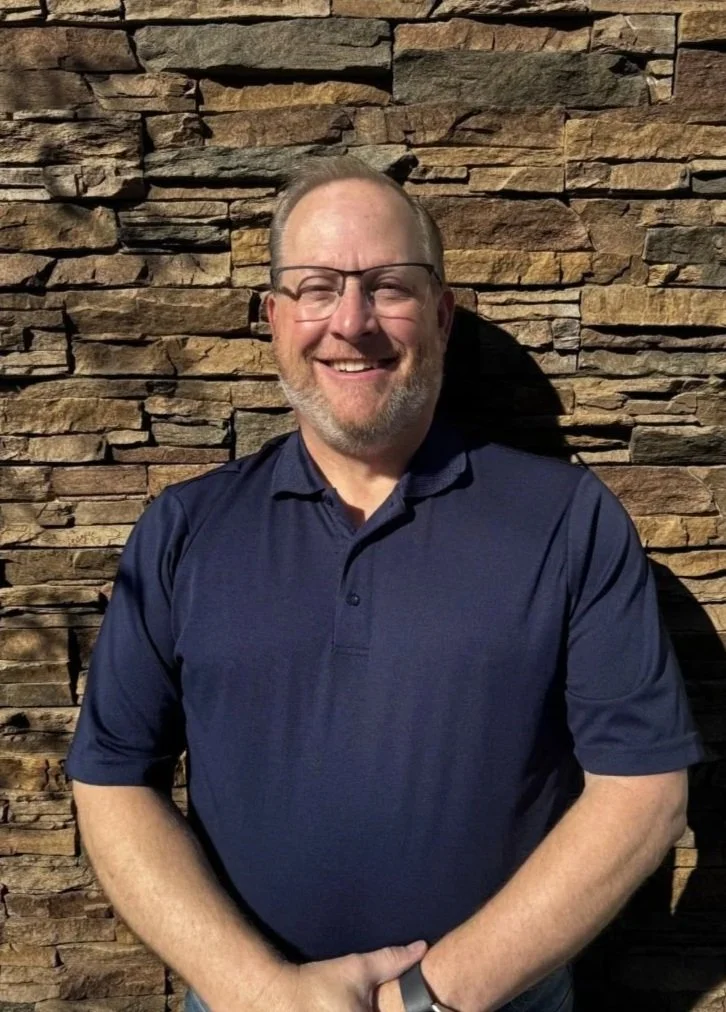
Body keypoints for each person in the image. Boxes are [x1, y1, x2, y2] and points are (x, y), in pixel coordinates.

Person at [66, 155, 704, 1012]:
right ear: (274, 317)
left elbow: (645, 793)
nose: (351, 322)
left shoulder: (565, 520)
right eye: (317, 287)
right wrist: (264, 994)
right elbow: (112, 781)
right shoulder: (185, 531)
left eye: (388, 286)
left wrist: (428, 997)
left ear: (440, 314)